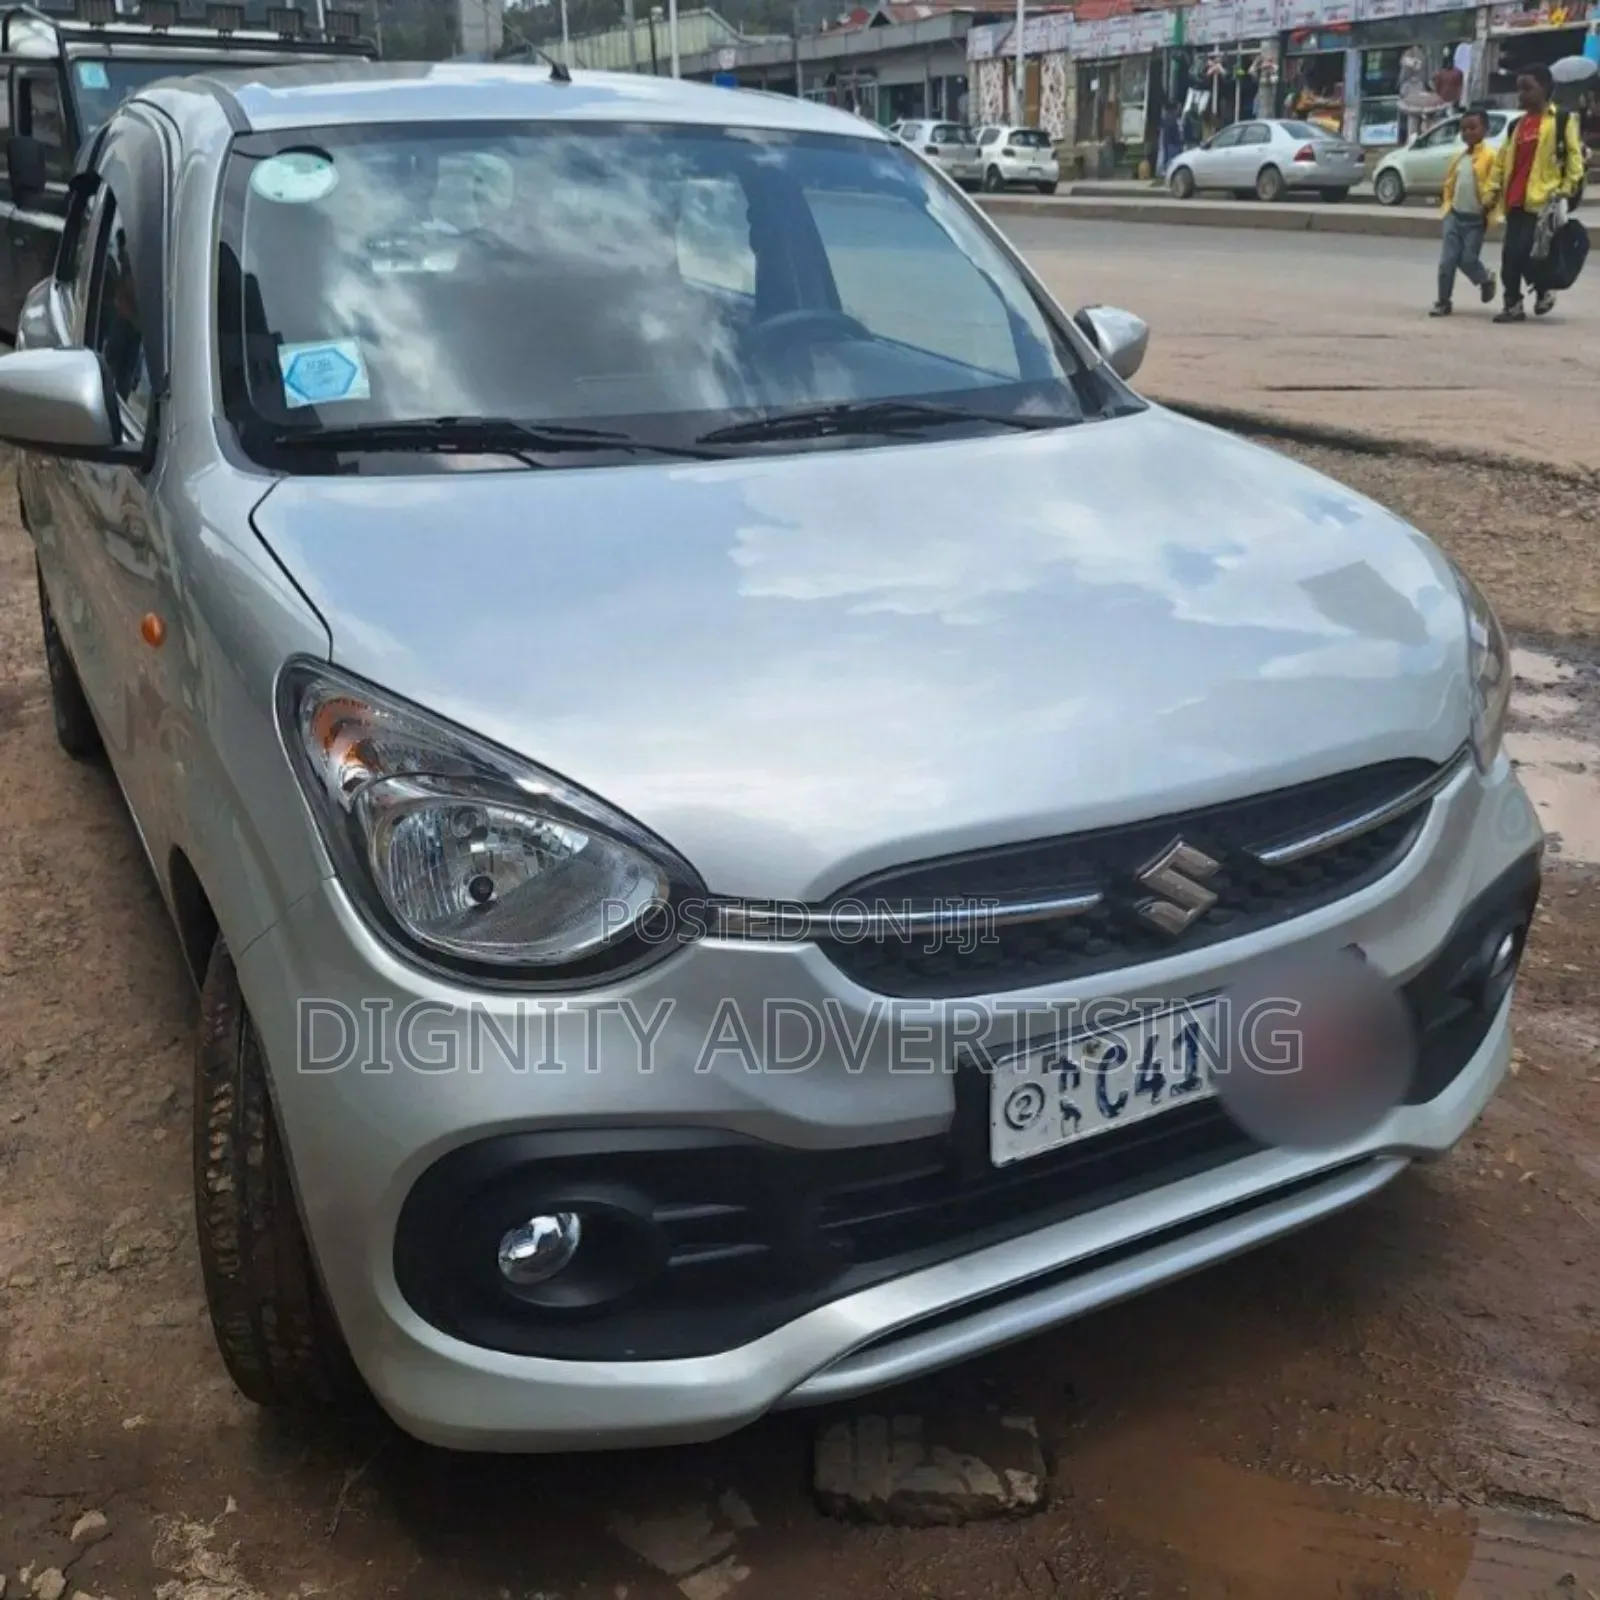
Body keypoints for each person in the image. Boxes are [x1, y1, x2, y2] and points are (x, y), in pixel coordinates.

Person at [1489, 64, 1587, 322]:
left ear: (1544, 88)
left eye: (1527, 88)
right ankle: (1513, 304)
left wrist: (1564, 191)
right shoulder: (1517, 126)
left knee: (1530, 253)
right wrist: (1492, 189)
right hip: (1515, 201)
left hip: (1543, 201)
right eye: (1519, 88)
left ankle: (1543, 290)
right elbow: (1502, 161)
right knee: (1511, 255)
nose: (1521, 94)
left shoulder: (1562, 120)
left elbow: (1575, 160)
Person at [1431, 106, 1499, 316]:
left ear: (1485, 129)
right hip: (1455, 215)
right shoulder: (1459, 158)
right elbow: (1450, 184)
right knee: (1447, 262)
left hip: (1476, 220)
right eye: (1463, 129)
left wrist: (1488, 203)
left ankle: (1485, 279)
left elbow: (1493, 182)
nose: (1468, 132)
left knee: (1468, 259)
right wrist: (1447, 204)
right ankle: (1443, 301)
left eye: (1473, 127)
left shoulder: (1490, 156)